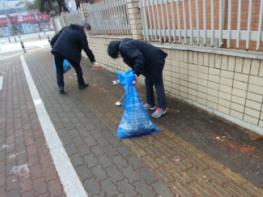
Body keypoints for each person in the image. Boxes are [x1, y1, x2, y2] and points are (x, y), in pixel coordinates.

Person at [107, 38, 168, 118]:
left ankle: (162, 108)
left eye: (116, 55)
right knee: (148, 80)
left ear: (116, 51)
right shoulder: (124, 45)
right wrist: (134, 75)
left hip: (155, 60)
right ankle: (150, 103)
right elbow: (136, 62)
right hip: (150, 62)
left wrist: (135, 74)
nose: (119, 57)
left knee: (157, 82)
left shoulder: (125, 47)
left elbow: (139, 58)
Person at [51, 23, 96, 94]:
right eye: (87, 31)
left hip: (57, 50)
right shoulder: (81, 34)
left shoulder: (67, 28)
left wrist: (54, 47)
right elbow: (86, 49)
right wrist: (92, 60)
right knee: (78, 69)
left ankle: (61, 87)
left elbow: (54, 39)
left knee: (59, 69)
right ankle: (81, 85)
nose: (86, 33)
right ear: (85, 28)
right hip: (69, 53)